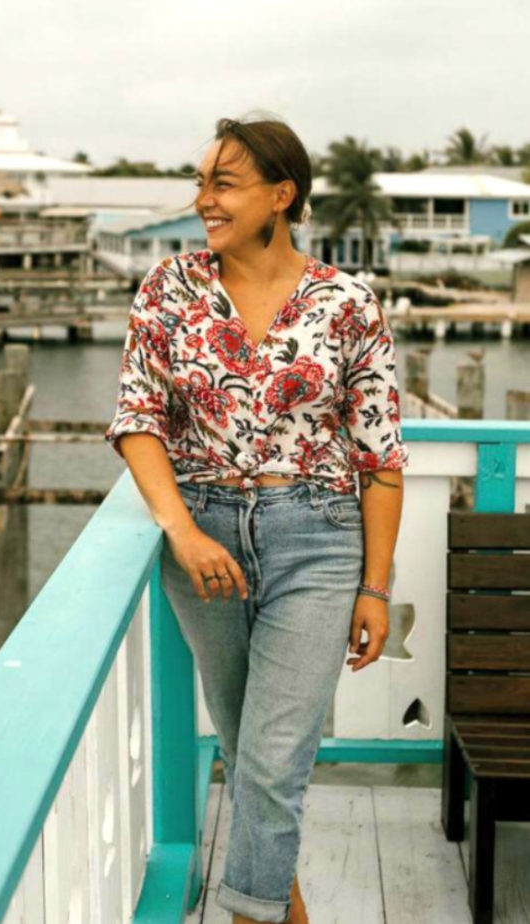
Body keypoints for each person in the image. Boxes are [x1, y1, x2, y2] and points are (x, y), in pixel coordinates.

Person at [104, 114, 409, 924]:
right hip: (204, 542)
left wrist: (375, 587)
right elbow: (137, 419)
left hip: (317, 538)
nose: (204, 199)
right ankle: (284, 905)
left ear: (281, 195)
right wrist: (182, 530)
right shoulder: (170, 289)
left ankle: (249, 914)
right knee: (248, 750)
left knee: (272, 761)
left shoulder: (347, 303)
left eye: (224, 183)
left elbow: (380, 458)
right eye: (201, 182)